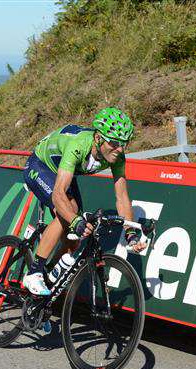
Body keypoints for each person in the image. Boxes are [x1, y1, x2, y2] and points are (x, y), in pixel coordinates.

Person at [22, 107, 145, 295]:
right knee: (68, 215)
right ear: (98, 138)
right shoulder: (79, 145)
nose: (119, 149)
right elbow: (58, 194)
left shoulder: (117, 156)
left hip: (63, 171)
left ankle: (48, 277)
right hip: (40, 165)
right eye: (114, 143)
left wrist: (130, 232)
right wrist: (74, 220)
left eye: (124, 143)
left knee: (76, 235)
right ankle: (34, 272)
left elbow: (122, 197)